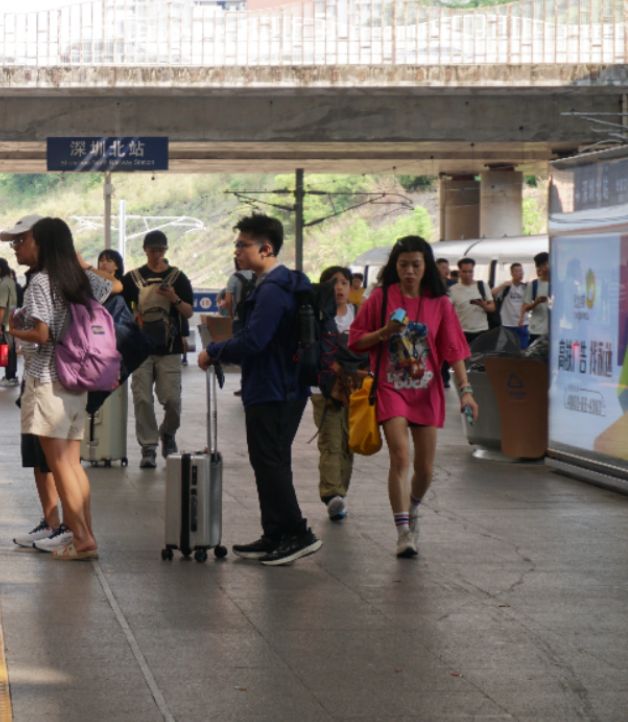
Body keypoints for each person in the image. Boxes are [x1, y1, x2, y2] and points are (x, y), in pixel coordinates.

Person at [198, 215, 321, 566]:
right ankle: (275, 534)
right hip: (279, 385)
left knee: (270, 461)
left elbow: (255, 340)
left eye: (243, 244)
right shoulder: (275, 283)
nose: (236, 251)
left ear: (266, 249)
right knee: (268, 460)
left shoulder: (270, 289)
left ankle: (298, 533)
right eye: (237, 244)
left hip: (274, 387)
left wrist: (214, 351)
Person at [349, 236, 478, 558]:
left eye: (416, 265)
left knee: (425, 469)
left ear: (426, 267)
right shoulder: (379, 298)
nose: (409, 271)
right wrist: (384, 333)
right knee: (400, 457)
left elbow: (453, 350)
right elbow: (356, 341)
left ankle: (414, 507)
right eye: (403, 264)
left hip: (427, 391)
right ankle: (403, 532)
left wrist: (466, 392)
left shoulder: (440, 303)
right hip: (391, 388)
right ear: (395, 266)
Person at [5, 217, 116, 562]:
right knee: (72, 462)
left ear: (43, 244)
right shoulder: (77, 279)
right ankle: (86, 533)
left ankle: (80, 536)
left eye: (23, 240)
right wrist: (82, 263)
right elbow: (115, 287)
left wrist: (13, 330)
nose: (16, 246)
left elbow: (40, 334)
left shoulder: (40, 281)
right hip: (75, 379)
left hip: (48, 378)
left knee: (59, 464)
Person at [122, 230, 194, 469]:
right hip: (141, 348)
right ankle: (148, 447)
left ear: (166, 251)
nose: (157, 255)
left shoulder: (177, 278)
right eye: (153, 250)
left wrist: (174, 298)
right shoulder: (132, 278)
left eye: (161, 251)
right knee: (142, 399)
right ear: (145, 250)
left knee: (172, 399)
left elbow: (188, 312)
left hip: (170, 348)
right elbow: (119, 309)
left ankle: (168, 433)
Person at [312, 267, 363, 523]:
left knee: (348, 443)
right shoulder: (317, 316)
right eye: (333, 283)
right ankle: (331, 494)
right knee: (331, 440)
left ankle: (340, 496)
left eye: (344, 282)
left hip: (355, 387)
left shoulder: (360, 316)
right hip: (325, 388)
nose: (340, 288)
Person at [447, 258, 495, 347]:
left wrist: (484, 306)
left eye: (470, 271)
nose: (468, 275)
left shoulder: (482, 286)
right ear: (459, 272)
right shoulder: (453, 290)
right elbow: (447, 311)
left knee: (481, 359)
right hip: (462, 332)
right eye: (464, 272)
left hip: (482, 330)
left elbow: (492, 307)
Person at [0, 257, 20, 387]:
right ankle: (11, 375)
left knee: (8, 350)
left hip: (5, 322)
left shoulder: (3, 284)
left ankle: (10, 377)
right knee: (11, 349)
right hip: (12, 320)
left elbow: (2, 306)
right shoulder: (10, 281)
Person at [493, 262, 530, 351]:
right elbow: (492, 294)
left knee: (523, 349)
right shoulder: (507, 287)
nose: (520, 274)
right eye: (517, 271)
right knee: (509, 350)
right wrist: (503, 285)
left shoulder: (525, 287)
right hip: (508, 323)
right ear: (512, 274)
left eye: (522, 271)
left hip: (523, 323)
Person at [524, 252, 551, 345]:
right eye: (543, 265)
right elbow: (525, 308)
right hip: (536, 329)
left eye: (548, 263)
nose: (547, 266)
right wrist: (536, 302)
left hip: (552, 329)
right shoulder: (533, 285)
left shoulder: (557, 284)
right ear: (538, 267)